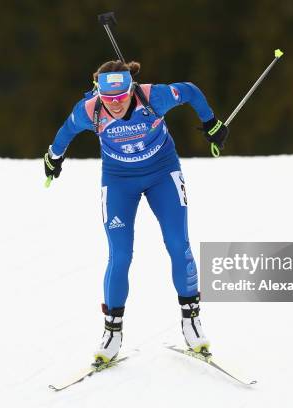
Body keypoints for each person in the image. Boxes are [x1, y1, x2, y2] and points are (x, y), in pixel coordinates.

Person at [44, 60, 229, 364]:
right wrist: (53, 157)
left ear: (131, 89)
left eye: (121, 97)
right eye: (109, 99)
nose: (115, 105)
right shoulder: (90, 110)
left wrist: (211, 123)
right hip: (118, 182)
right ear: (98, 94)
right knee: (120, 255)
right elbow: (65, 131)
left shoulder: (153, 96)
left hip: (162, 173)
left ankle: (191, 322)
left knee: (177, 244)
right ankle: (112, 333)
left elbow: (191, 92)